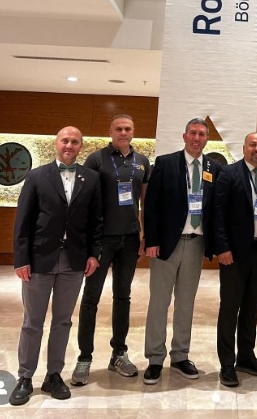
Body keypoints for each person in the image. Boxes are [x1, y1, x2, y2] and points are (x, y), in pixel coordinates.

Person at [10, 126, 103, 405]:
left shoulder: (91, 178)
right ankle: (25, 377)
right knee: (33, 322)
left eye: (75, 142)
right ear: (56, 143)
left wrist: (94, 254)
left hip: (74, 261)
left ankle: (54, 375)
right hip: (40, 259)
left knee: (62, 320)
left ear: (81, 146)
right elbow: (23, 221)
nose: (69, 145)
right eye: (65, 140)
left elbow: (96, 221)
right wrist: (21, 259)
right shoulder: (37, 176)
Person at [71, 114, 150, 386]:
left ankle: (119, 354)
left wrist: (144, 235)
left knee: (123, 297)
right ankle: (84, 357)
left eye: (128, 128)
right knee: (91, 298)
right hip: (102, 240)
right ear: (110, 131)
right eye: (119, 128)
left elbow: (144, 203)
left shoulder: (142, 161)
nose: (123, 132)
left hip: (130, 240)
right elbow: (85, 202)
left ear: (133, 131)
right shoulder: (96, 159)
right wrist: (88, 245)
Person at [142, 118, 220, 385]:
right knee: (159, 302)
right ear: (184, 136)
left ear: (207, 139)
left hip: (196, 242)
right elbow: (151, 205)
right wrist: (151, 240)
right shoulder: (165, 163)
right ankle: (155, 358)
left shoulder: (213, 168)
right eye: (193, 133)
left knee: (186, 302)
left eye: (202, 134)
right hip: (166, 243)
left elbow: (216, 208)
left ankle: (180, 355)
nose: (197, 138)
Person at [212, 132, 257, 387]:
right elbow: (218, 212)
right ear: (244, 148)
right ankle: (227, 364)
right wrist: (222, 248)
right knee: (230, 307)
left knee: (252, 305)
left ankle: (246, 357)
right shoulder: (229, 173)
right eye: (253, 145)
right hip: (235, 253)